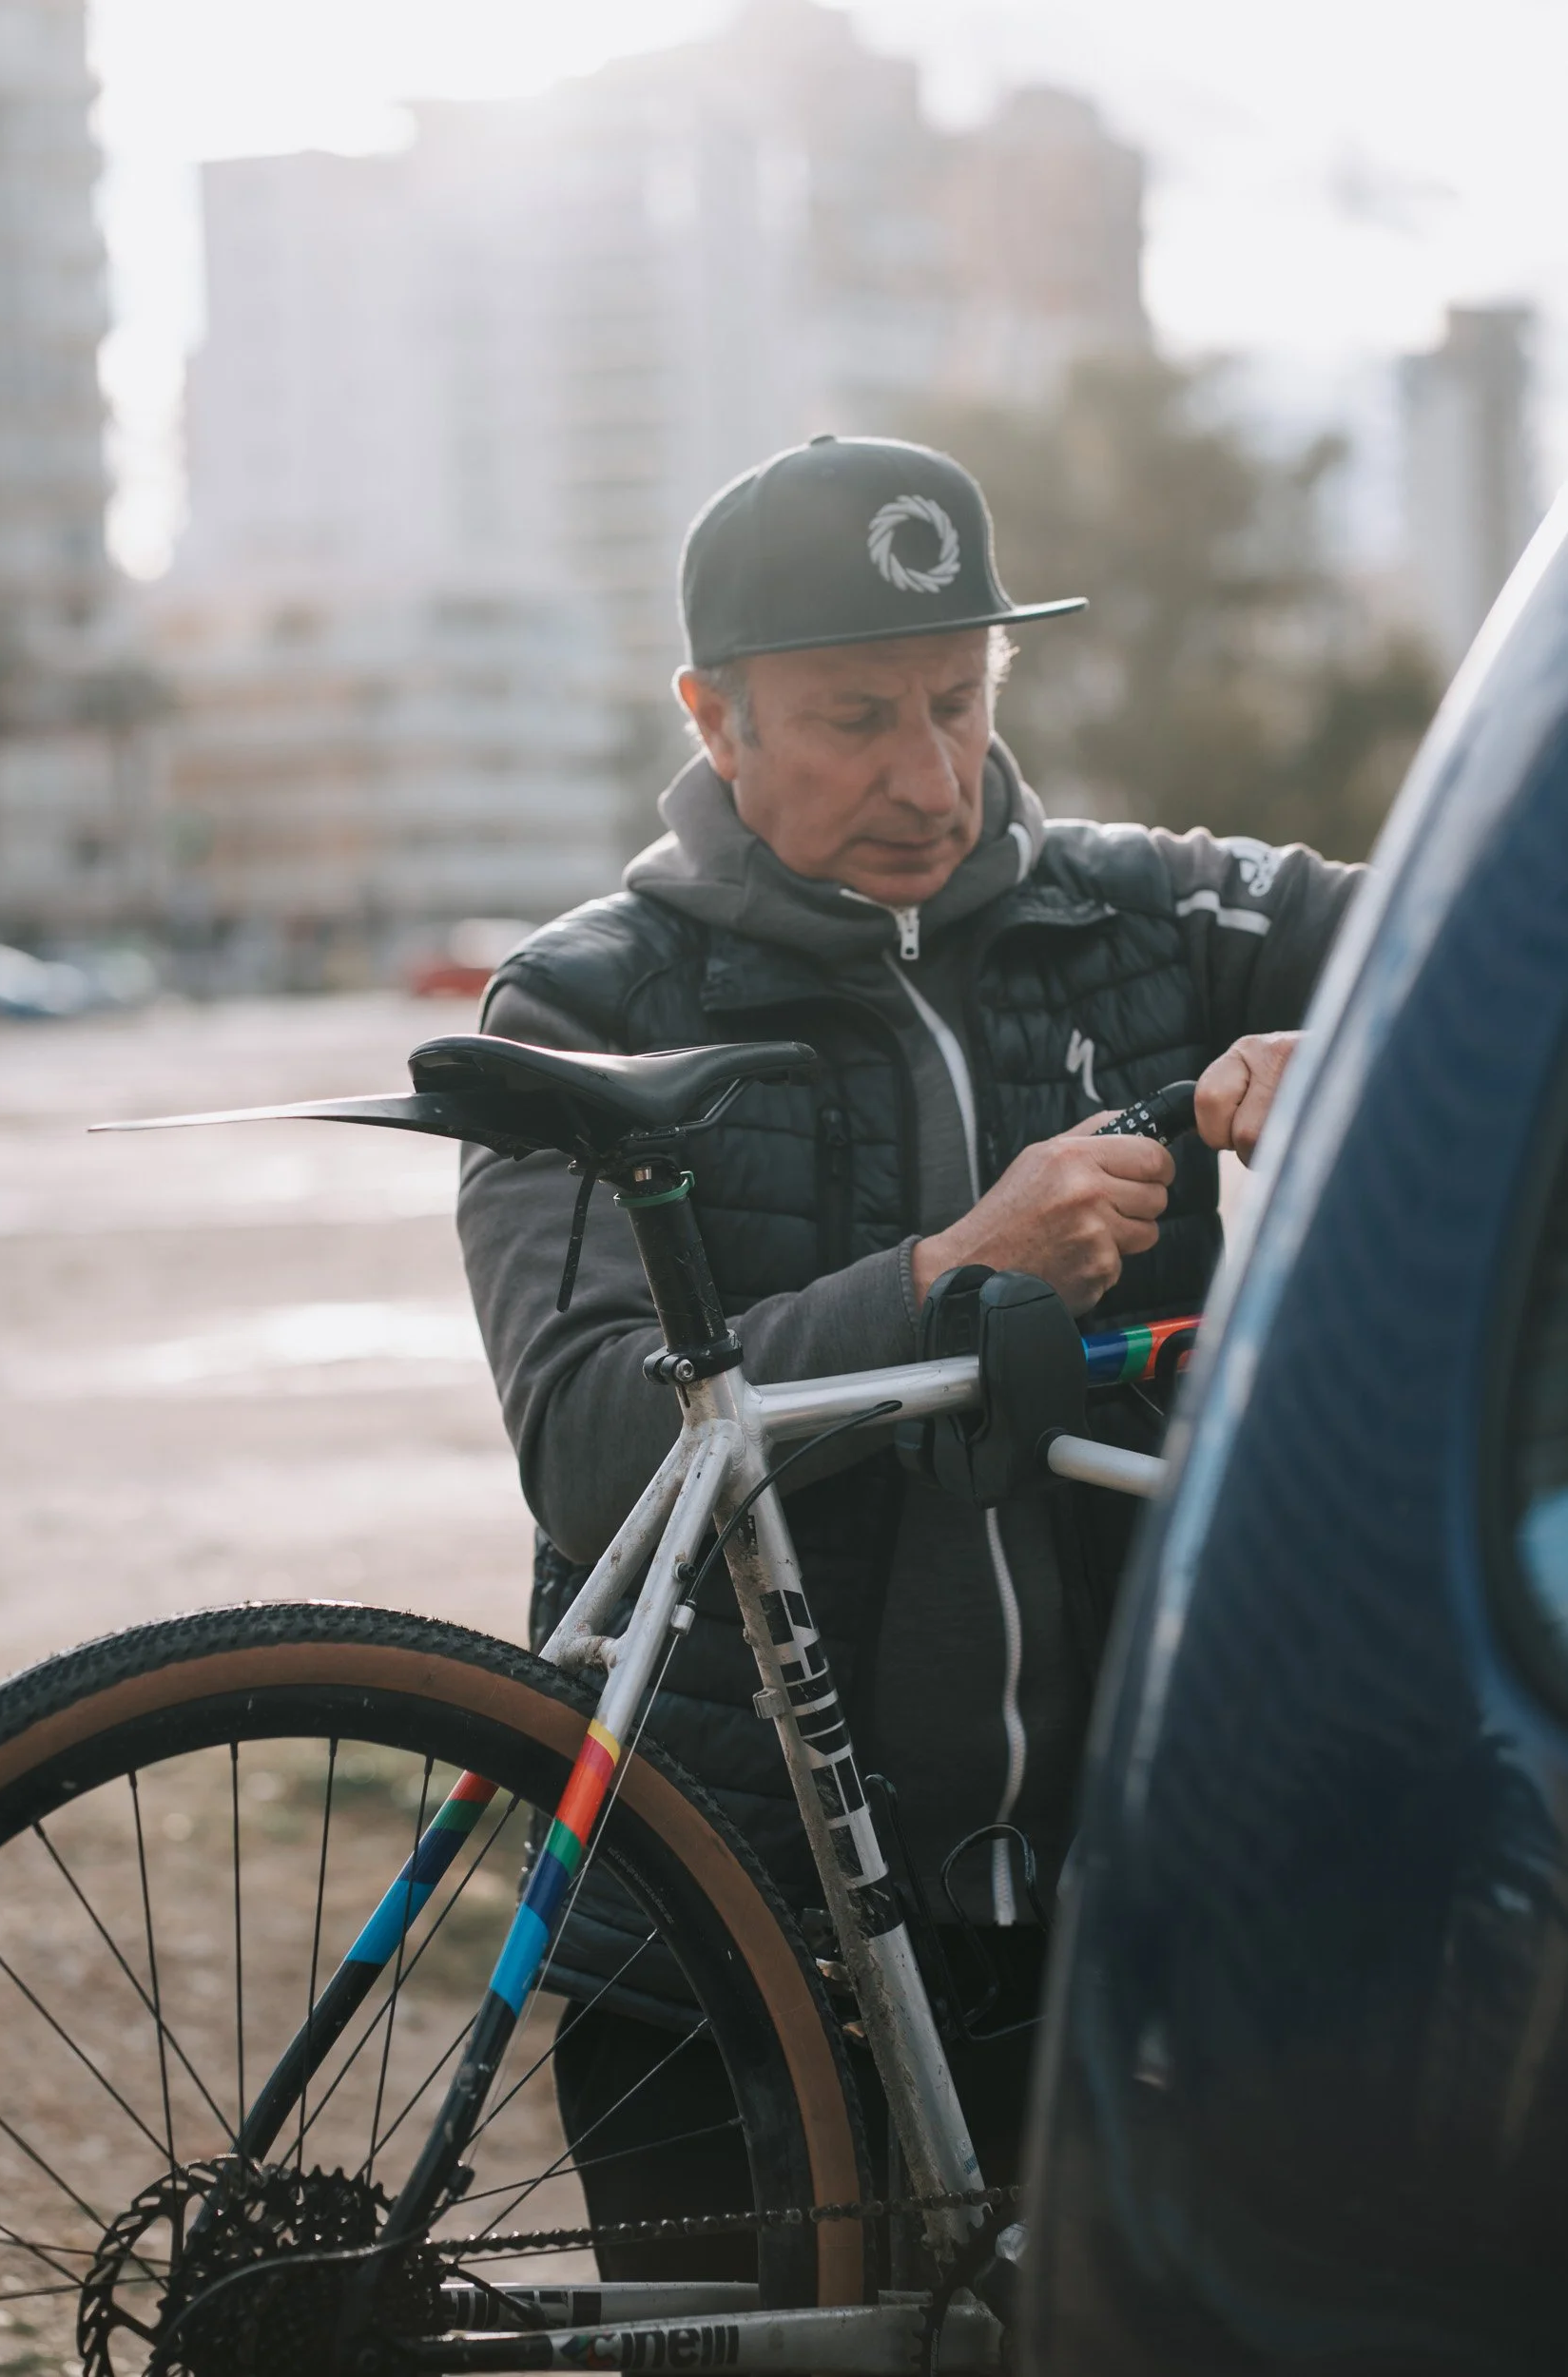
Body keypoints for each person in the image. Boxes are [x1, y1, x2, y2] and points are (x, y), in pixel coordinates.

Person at [457, 435, 1361, 2266]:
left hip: (1116, 1899)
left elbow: (1506, 932)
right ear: (716, 719)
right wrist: (953, 1271)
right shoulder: (583, 1002)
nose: (930, 776)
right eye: (857, 718)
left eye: (959, 701)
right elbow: (591, 1449)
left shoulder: (1165, 914)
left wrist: (1364, 1038)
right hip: (719, 1936)